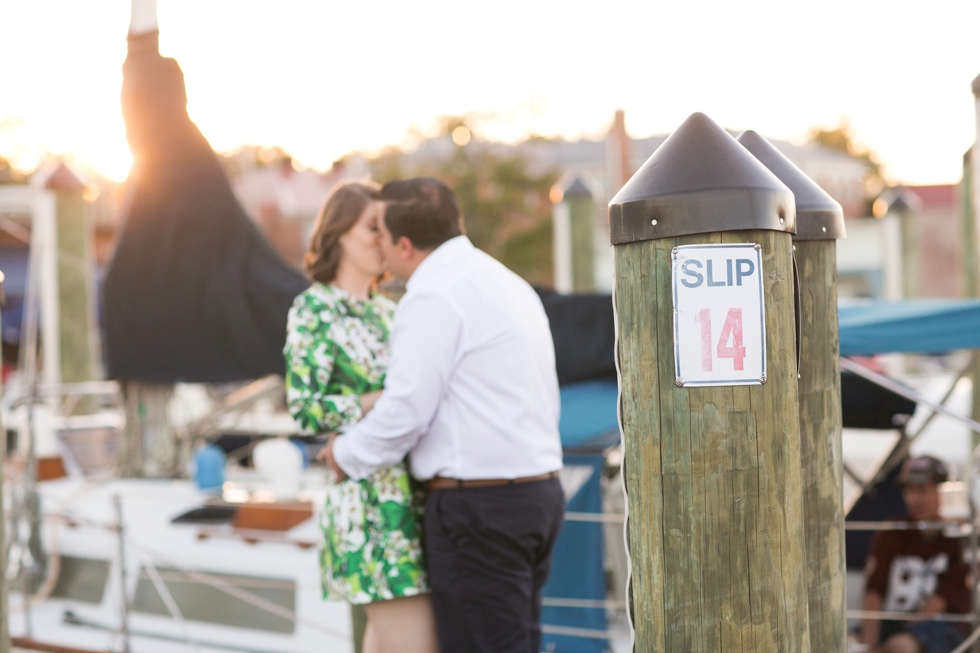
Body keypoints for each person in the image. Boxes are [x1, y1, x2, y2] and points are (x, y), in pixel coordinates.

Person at [321, 177, 566, 653]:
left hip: (479, 508)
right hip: (537, 494)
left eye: (383, 237)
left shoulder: (433, 296)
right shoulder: (506, 282)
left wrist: (345, 454)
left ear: (405, 245)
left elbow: (406, 410)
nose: (380, 249)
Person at [283, 180, 437, 653]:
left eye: (386, 228)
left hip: (412, 498)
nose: (382, 238)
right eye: (372, 226)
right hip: (366, 506)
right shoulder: (315, 308)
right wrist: (378, 400)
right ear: (338, 232)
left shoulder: (392, 311)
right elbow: (304, 409)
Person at [861, 456, 971, 653]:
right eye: (908, 490)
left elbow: (941, 600)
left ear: (943, 490)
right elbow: (873, 591)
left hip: (943, 627)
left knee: (901, 646)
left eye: (922, 490)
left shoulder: (960, 537)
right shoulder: (891, 531)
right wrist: (868, 644)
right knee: (844, 642)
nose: (913, 499)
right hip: (893, 622)